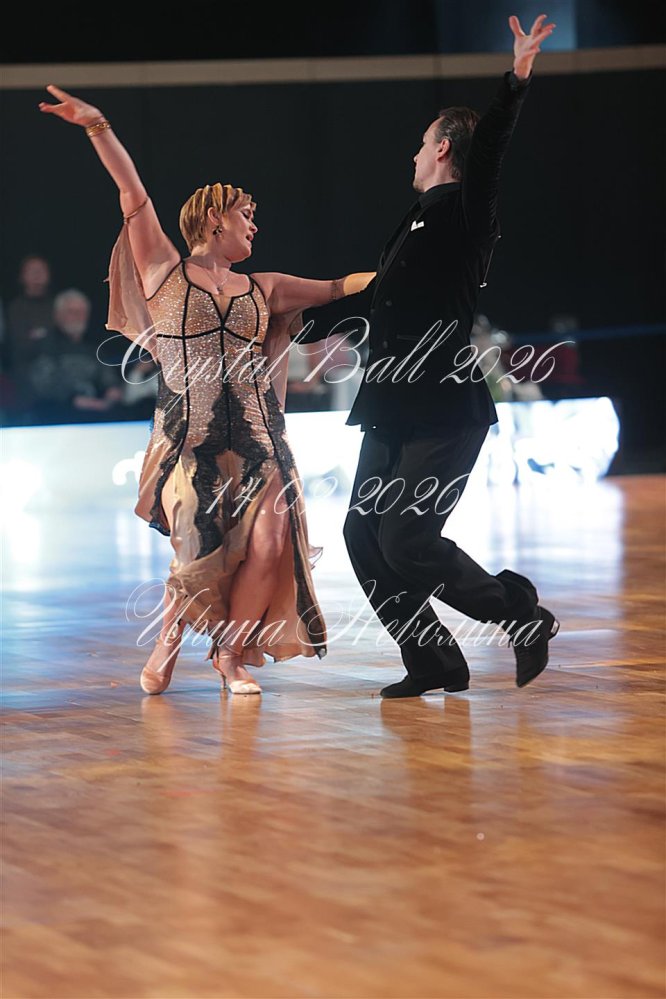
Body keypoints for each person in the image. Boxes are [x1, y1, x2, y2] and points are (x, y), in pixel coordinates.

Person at [38, 84, 374, 696]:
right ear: (215, 219)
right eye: (247, 215)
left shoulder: (264, 287)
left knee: (271, 546)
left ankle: (230, 655)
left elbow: (337, 288)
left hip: (261, 440)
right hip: (187, 440)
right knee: (199, 554)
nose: (256, 224)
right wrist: (97, 126)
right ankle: (168, 641)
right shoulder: (163, 270)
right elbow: (132, 194)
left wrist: (412, 262)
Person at [308, 14, 560, 697]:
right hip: (391, 405)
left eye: (423, 144)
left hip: (445, 408)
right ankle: (433, 660)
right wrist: (290, 322)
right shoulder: (414, 222)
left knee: (407, 541)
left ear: (445, 149)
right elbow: (375, 300)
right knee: (363, 537)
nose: (413, 155)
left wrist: (516, 80)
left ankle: (518, 612)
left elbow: (491, 149)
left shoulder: (466, 213)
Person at [27, 288, 124, 423]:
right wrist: (73, 400)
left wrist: (111, 393)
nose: (77, 317)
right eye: (71, 312)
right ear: (57, 315)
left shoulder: (94, 348)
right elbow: (41, 386)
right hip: (55, 417)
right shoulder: (44, 347)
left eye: (82, 312)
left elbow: (109, 380)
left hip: (96, 417)